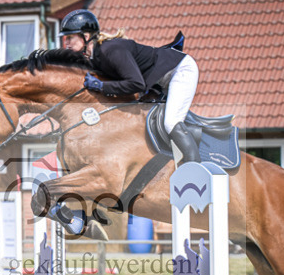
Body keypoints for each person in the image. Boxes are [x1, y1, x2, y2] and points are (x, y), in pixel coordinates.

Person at [59, 9, 200, 163]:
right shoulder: (95, 58)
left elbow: (136, 83)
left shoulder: (110, 50)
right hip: (159, 82)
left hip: (180, 70)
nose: (66, 44)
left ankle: (195, 167)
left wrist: (101, 86)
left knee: (171, 122)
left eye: (70, 38)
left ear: (86, 36)